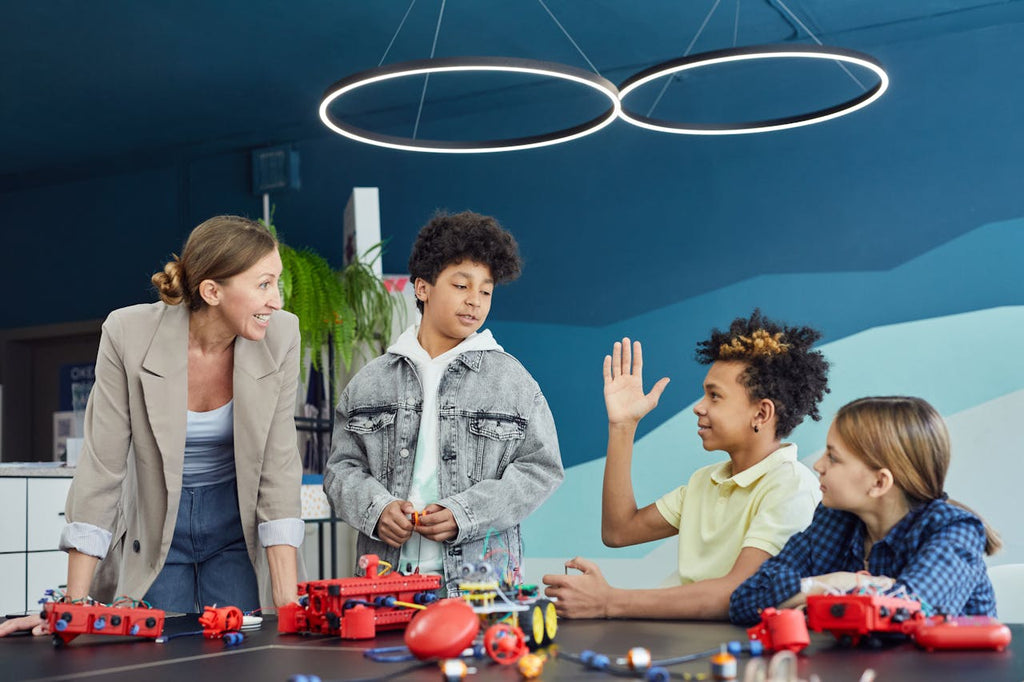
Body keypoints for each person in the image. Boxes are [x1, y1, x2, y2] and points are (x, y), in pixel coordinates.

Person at [0, 215, 302, 638]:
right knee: (154, 652)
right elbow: (102, 468)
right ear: (212, 291)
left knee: (245, 650)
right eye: (264, 284)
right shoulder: (128, 333)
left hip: (237, 523)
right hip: (157, 523)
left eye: (277, 283)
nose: (277, 301)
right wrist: (73, 607)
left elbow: (278, 468)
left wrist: (291, 609)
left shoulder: (282, 335)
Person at [324, 210, 563, 594]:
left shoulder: (512, 380)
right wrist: (377, 510)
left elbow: (541, 469)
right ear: (422, 288)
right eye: (461, 285)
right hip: (385, 584)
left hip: (479, 587)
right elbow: (341, 470)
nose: (475, 301)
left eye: (485, 291)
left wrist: (465, 514)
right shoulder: (369, 381)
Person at [542, 310, 830, 620]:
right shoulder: (705, 482)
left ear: (761, 414)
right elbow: (619, 531)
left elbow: (741, 591)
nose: (699, 407)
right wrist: (622, 426)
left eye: (715, 396)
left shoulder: (791, 486)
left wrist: (609, 601)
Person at [729, 396, 999, 626]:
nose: (818, 465)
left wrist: (809, 605)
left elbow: (904, 616)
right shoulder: (833, 519)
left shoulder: (955, 532)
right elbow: (746, 601)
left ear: (879, 482)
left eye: (833, 457)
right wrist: (832, 583)